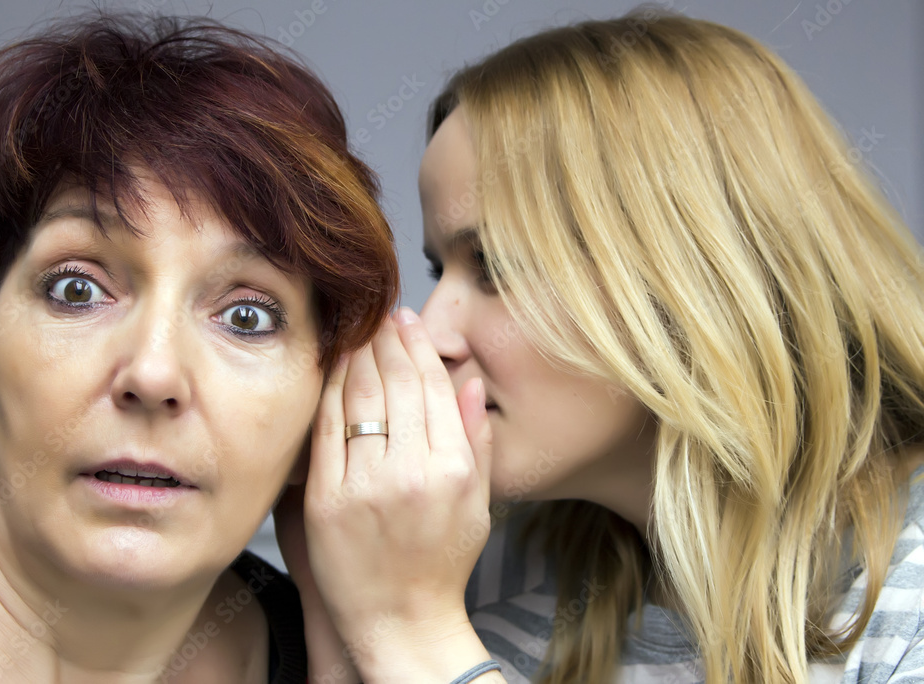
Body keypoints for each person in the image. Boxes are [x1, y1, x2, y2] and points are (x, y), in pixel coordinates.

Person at [290, 11, 924, 684]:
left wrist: (414, 631)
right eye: (438, 270)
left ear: (692, 274)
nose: (431, 331)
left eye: (495, 267)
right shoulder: (468, 565)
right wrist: (338, 604)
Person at [0, 11, 398, 684]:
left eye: (245, 316)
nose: (152, 373)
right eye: (78, 290)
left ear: (327, 399)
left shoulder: (353, 655)